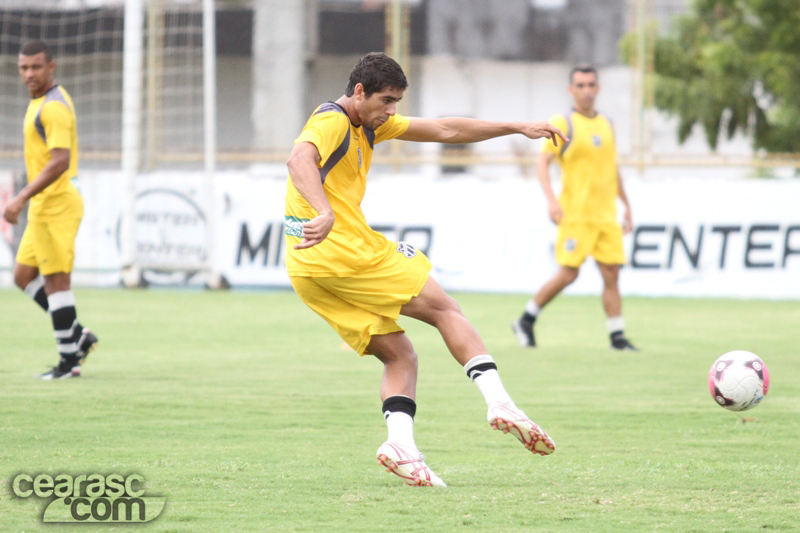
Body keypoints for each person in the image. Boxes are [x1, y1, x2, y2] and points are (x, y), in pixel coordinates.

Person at [285, 52, 567, 487]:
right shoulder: (333, 121)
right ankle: (500, 402)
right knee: (444, 309)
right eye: (386, 100)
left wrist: (516, 127)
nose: (392, 111)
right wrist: (323, 211)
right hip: (343, 250)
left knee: (400, 354)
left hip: (307, 266)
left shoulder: (368, 122)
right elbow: (299, 160)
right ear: (358, 92)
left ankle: (401, 445)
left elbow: (445, 128)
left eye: (396, 101)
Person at [512, 64, 637, 351]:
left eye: (591, 85)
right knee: (569, 273)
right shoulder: (564, 122)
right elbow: (543, 162)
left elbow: (611, 168)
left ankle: (617, 337)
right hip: (576, 215)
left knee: (611, 273)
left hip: (606, 215)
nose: (586, 90)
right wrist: (552, 201)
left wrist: (626, 205)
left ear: (598, 88)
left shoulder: (607, 123)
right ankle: (526, 319)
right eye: (580, 85)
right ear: (571, 90)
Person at [3, 40, 97, 379]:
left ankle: (69, 362)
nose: (29, 73)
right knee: (23, 276)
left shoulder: (53, 107)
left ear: (51, 67)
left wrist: (20, 196)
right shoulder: (40, 101)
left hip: (56, 206)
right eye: (24, 67)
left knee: (57, 283)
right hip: (44, 207)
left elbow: (60, 161)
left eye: (36, 67)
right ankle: (78, 335)